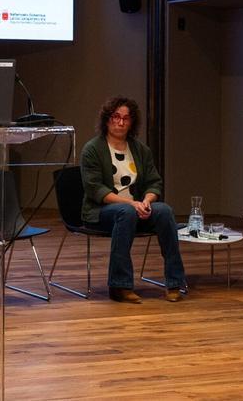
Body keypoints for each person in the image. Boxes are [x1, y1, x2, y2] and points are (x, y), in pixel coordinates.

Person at [80, 96, 187, 304]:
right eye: (115, 117)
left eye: (126, 119)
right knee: (126, 212)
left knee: (163, 210)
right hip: (102, 211)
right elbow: (95, 189)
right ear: (106, 120)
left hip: (135, 209)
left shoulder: (140, 149)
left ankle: (174, 283)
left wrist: (147, 201)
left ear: (132, 122)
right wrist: (131, 204)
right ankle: (120, 286)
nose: (120, 123)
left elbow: (154, 182)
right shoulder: (92, 149)